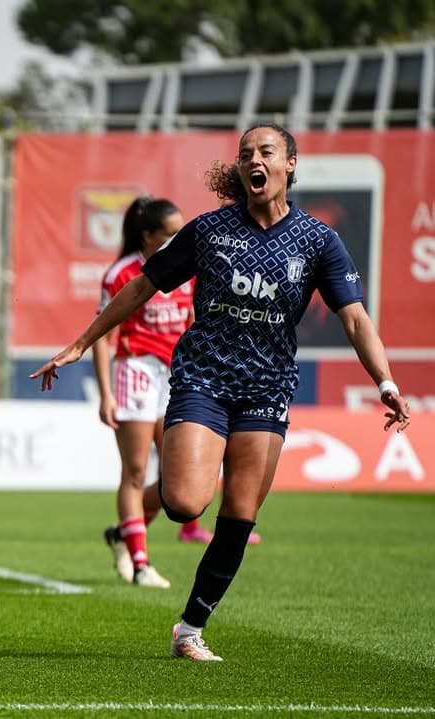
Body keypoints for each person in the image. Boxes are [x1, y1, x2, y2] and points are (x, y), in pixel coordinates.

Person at [31, 123, 410, 661]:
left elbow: (354, 319)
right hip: (203, 377)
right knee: (187, 502)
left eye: (266, 152)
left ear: (290, 164)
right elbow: (141, 286)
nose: (254, 160)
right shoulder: (210, 230)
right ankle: (142, 516)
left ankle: (189, 630)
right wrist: (80, 343)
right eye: (245, 153)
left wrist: (385, 381)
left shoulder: (319, 241)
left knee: (239, 512)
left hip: (268, 387)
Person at [91, 196, 193, 588]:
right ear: (147, 236)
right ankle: (140, 563)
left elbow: (191, 322)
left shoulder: (188, 269)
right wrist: (106, 394)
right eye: (171, 233)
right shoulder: (122, 273)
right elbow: (103, 335)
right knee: (135, 473)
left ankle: (123, 533)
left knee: (178, 480)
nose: (179, 239)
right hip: (136, 371)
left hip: (175, 376)